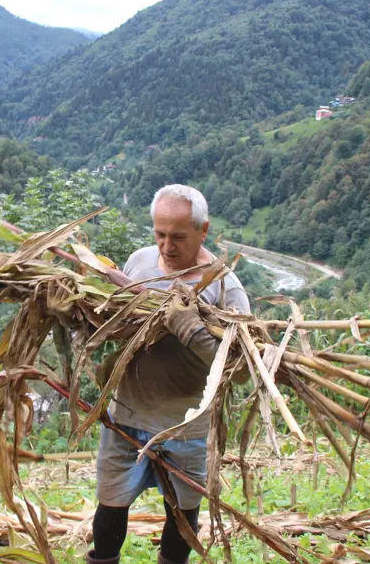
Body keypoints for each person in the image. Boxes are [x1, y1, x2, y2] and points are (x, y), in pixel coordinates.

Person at [87, 185, 251, 564]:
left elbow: (241, 372)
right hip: (126, 416)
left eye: (178, 237)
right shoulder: (138, 263)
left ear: (203, 230)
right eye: (160, 234)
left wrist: (190, 329)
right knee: (110, 506)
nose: (166, 246)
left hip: (186, 426)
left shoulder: (225, 287)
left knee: (181, 514)